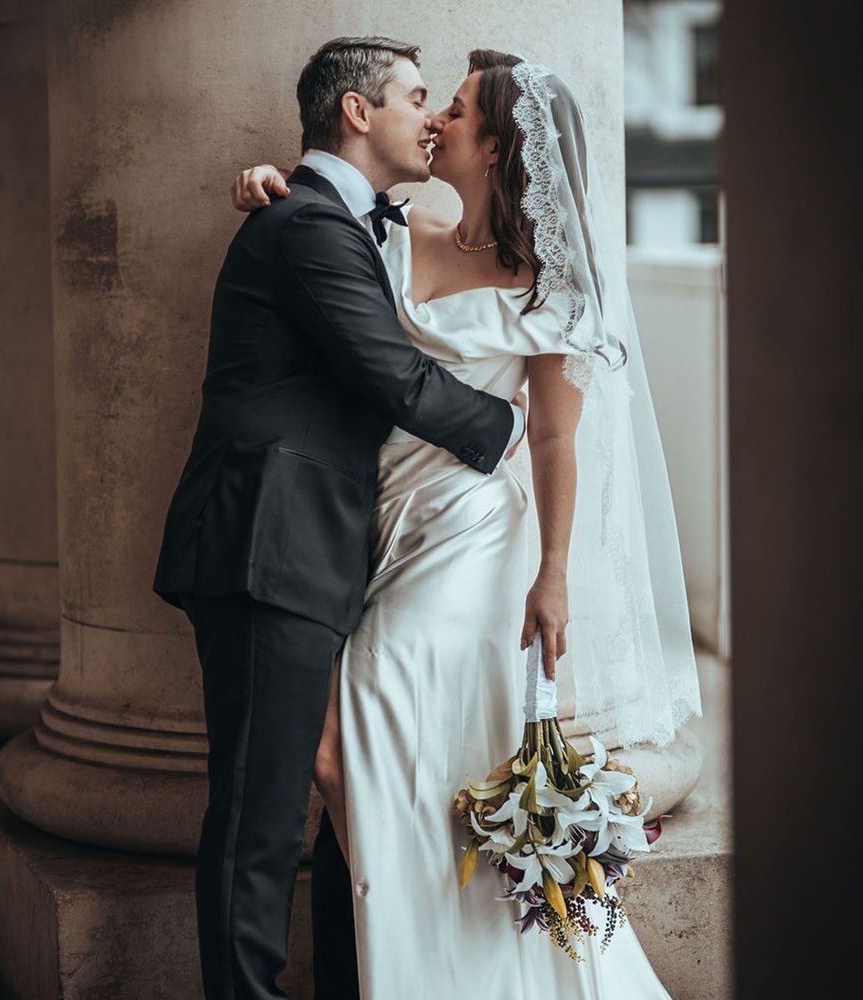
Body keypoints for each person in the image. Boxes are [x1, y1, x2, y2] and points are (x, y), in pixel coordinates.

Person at [230, 48, 703, 998]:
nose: (436, 120)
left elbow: (558, 445)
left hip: (470, 539)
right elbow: (326, 258)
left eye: (455, 109)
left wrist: (554, 572)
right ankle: (447, 961)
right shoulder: (393, 230)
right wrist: (268, 185)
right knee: (413, 759)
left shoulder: (552, 290)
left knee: (355, 725)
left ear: (495, 149)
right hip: (366, 526)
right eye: (429, 102)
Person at [151, 37, 529, 1000]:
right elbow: (389, 374)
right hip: (264, 545)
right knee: (259, 817)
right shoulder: (313, 224)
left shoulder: (344, 218)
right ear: (357, 113)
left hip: (313, 549)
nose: (431, 117)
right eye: (413, 96)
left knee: (303, 798)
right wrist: (513, 426)